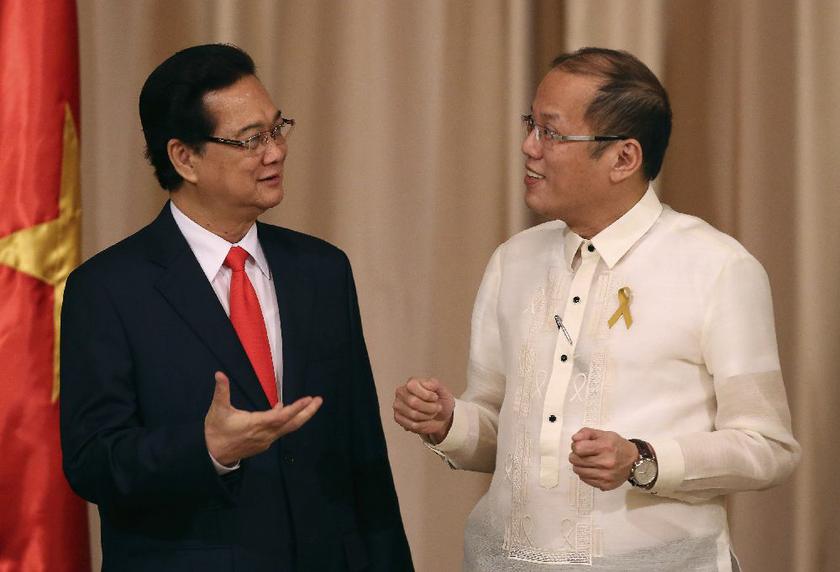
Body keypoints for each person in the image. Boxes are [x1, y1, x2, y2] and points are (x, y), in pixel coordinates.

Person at [393, 47, 799, 571]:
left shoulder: (717, 267)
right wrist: (449, 422)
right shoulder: (514, 261)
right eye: (531, 125)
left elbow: (767, 447)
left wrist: (643, 460)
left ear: (624, 159)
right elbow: (504, 432)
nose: (529, 147)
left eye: (552, 133)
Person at [60, 43, 412, 572]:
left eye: (277, 129)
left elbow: (364, 454)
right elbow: (92, 462)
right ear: (185, 158)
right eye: (251, 140)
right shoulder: (108, 288)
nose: (275, 152)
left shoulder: (322, 270)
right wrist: (206, 447)